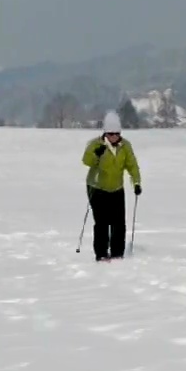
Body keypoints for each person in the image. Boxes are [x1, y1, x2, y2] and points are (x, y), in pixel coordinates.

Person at [82, 111, 142, 261]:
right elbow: (86, 161)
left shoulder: (125, 146)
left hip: (116, 188)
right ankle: (101, 253)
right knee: (102, 222)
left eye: (116, 133)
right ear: (105, 132)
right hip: (97, 188)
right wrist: (96, 154)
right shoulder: (96, 144)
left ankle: (117, 253)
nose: (114, 136)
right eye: (110, 133)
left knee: (118, 222)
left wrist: (136, 182)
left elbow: (132, 165)